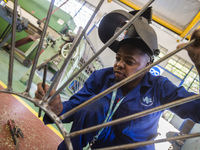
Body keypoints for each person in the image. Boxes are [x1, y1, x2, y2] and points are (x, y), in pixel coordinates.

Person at [35, 8, 200, 150]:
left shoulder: (160, 87)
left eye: (129, 62)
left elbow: (196, 110)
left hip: (135, 147)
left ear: (148, 66)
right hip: (103, 141)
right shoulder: (102, 77)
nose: (119, 65)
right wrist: (58, 108)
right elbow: (77, 107)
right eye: (118, 58)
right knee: (92, 107)